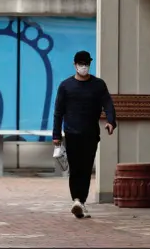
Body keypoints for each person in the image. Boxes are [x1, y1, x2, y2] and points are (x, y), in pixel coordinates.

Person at [52, 50, 117, 219]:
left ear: (90, 64)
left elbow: (108, 104)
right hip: (72, 134)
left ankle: (81, 201)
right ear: (74, 65)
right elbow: (58, 112)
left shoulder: (98, 85)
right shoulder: (65, 86)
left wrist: (111, 121)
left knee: (86, 169)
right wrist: (56, 135)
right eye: (80, 64)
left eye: (86, 64)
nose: (83, 67)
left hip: (91, 134)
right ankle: (77, 200)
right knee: (75, 169)